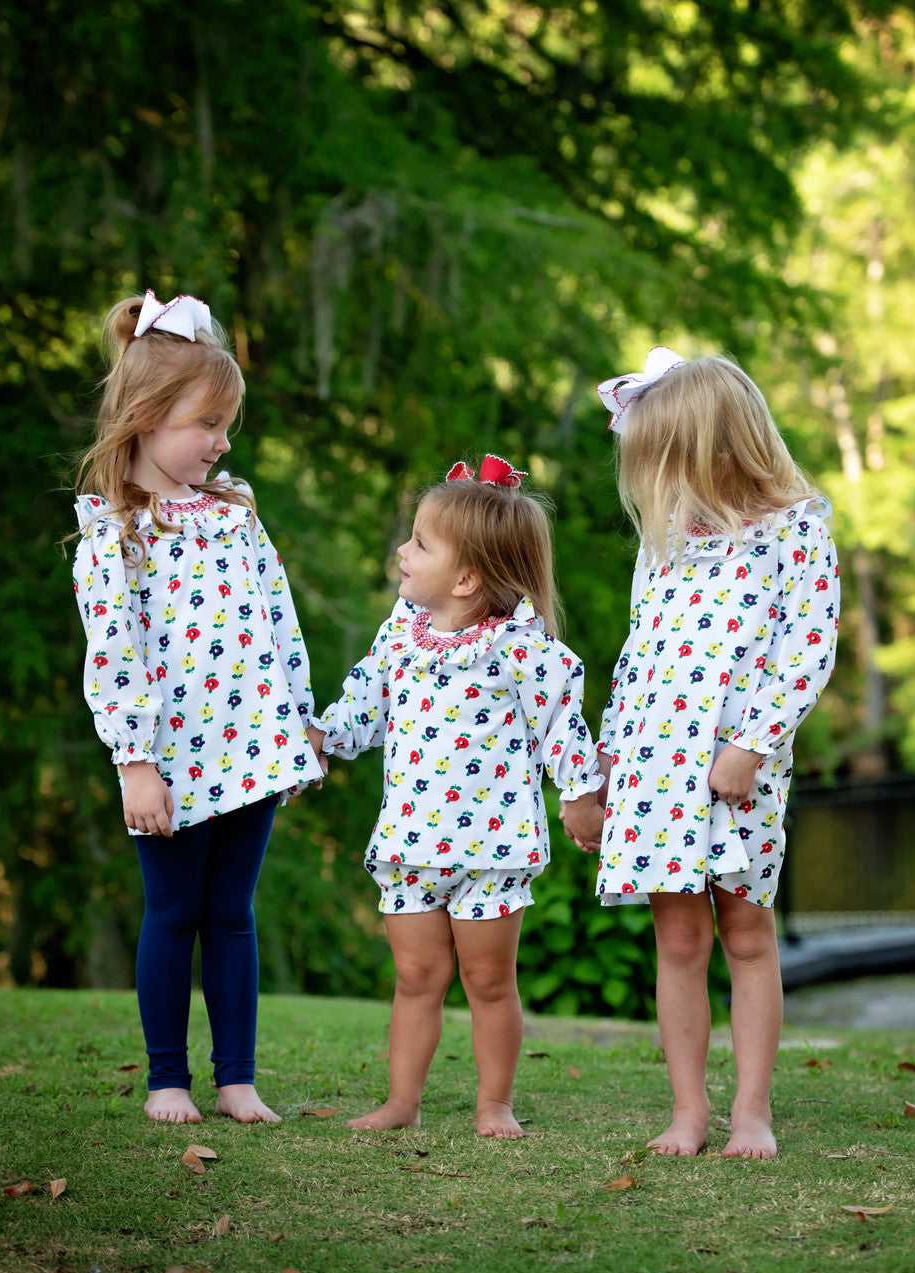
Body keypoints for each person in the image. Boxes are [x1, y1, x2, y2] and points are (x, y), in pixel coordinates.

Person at [71, 289, 325, 1125]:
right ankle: (167, 1079)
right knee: (175, 912)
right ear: (144, 417)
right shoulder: (116, 532)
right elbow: (116, 654)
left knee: (232, 914)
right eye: (205, 424)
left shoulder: (234, 513)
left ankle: (238, 1078)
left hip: (253, 744)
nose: (219, 443)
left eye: (227, 426)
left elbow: (277, 619)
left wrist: (299, 726)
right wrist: (134, 762)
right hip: (171, 757)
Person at [308, 456, 605, 1138]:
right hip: (411, 843)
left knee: (488, 981)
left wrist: (580, 796)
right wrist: (318, 739)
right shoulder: (398, 637)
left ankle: (493, 1103)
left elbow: (564, 726)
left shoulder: (520, 650)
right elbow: (362, 707)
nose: (402, 552)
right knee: (416, 974)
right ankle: (401, 1102)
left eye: (419, 544)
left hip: (491, 851)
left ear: (467, 577)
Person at [593, 347, 840, 1158]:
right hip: (652, 765)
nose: (661, 484)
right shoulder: (664, 544)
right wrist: (602, 763)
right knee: (680, 941)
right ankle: (689, 1109)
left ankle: (753, 1111)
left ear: (720, 449)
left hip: (739, 770)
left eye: (669, 463)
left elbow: (806, 650)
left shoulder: (797, 529)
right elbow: (639, 653)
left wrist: (753, 743)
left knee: (747, 934)